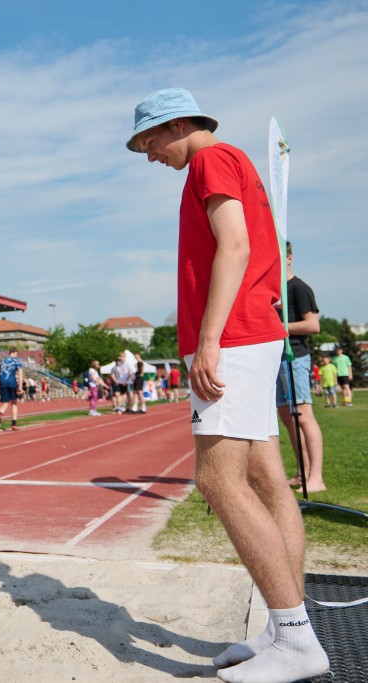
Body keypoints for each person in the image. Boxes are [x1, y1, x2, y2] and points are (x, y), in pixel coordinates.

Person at [128, 87, 327, 682]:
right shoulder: (234, 159)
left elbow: (234, 246)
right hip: (252, 333)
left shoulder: (211, 160)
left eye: (150, 142)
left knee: (218, 480)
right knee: (266, 479)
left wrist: (210, 338)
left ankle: (297, 640)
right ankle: (282, 628)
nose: (149, 156)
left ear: (178, 125)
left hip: (234, 336)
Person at [274, 242, 325, 493]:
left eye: (280, 255)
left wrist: (279, 327)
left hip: (295, 357)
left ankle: (316, 477)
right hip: (276, 358)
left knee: (303, 415)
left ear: (290, 258)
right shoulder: (273, 291)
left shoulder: (299, 288)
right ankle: (301, 472)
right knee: (287, 416)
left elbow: (313, 325)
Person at [0, 348, 24, 430]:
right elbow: (20, 374)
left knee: (5, 403)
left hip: (3, 383)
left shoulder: (3, 361)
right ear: (15, 353)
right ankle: (14, 424)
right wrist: (20, 386)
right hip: (12, 383)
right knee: (14, 403)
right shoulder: (17, 361)